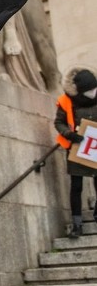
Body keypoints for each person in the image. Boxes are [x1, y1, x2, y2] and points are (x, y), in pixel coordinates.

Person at [55, 67, 97, 238]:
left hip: (95, 146)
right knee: (76, 186)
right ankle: (77, 224)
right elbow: (59, 122)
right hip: (76, 148)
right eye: (89, 91)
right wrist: (70, 134)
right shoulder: (66, 100)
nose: (93, 93)